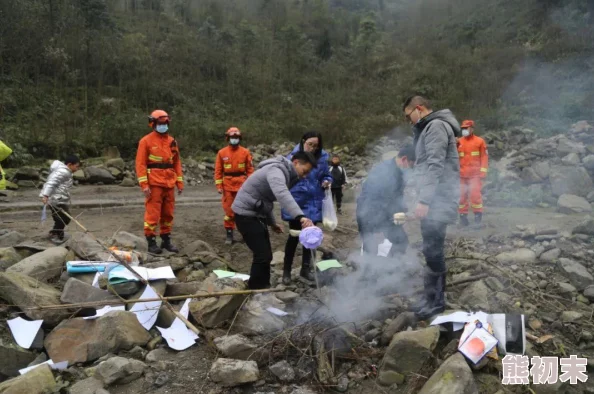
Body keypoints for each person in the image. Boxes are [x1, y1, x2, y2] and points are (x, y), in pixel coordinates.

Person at [402, 95, 461, 319]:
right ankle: (430, 298)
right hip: (434, 197)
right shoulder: (428, 128)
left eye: (409, 115)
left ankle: (436, 303)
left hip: (439, 199)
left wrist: (424, 201)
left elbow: (435, 165)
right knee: (429, 248)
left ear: (419, 108)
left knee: (433, 249)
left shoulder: (435, 126)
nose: (409, 121)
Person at [232, 152, 317, 290]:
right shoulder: (276, 171)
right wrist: (300, 216)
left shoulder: (284, 172)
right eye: (304, 171)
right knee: (262, 255)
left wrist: (272, 223)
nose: (304, 175)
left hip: (256, 214)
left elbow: (266, 199)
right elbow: (282, 194)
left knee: (266, 255)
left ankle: (264, 288)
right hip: (245, 214)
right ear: (295, 163)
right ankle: (254, 291)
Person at [281, 131, 333, 285]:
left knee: (310, 237)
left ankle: (306, 269)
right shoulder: (293, 157)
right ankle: (286, 271)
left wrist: (327, 180)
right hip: (297, 201)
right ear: (303, 141)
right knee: (294, 237)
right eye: (310, 144)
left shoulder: (322, 157)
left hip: (314, 201)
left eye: (316, 146)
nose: (313, 148)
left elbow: (326, 175)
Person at [135, 109, 183, 254]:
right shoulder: (146, 141)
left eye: (166, 123)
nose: (164, 125)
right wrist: (144, 185)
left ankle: (166, 240)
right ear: (154, 124)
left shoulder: (172, 141)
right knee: (153, 214)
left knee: (168, 213)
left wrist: (179, 182)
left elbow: (176, 163)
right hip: (154, 183)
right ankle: (151, 242)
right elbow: (140, 164)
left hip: (169, 182)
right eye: (161, 123)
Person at [356, 145, 414, 257]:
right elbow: (371, 200)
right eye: (411, 166)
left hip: (387, 214)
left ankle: (388, 269)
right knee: (371, 248)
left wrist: (403, 212)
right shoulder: (384, 172)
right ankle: (368, 273)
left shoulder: (399, 171)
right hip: (369, 215)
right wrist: (377, 227)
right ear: (404, 159)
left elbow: (396, 197)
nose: (411, 169)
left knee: (401, 241)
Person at [214, 127, 255, 245]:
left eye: (236, 137)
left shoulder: (245, 152)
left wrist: (251, 184)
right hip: (227, 186)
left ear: (239, 138)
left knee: (243, 211)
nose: (234, 139)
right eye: (232, 137)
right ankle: (229, 235)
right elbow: (218, 170)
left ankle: (245, 235)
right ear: (228, 138)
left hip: (242, 185)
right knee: (229, 212)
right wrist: (219, 186)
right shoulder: (222, 153)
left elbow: (250, 169)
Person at [39, 155, 81, 244]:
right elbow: (51, 183)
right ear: (70, 164)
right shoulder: (62, 172)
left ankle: (57, 233)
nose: (77, 169)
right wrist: (45, 195)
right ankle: (55, 234)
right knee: (62, 218)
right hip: (55, 199)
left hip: (60, 198)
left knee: (63, 218)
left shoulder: (66, 172)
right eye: (76, 166)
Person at [457, 120, 488, 228]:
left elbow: (484, 157)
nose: (464, 130)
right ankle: (463, 219)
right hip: (461, 175)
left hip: (475, 175)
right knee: (461, 197)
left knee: (475, 196)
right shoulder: (459, 142)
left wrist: (483, 172)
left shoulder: (480, 141)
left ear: (472, 129)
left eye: (466, 128)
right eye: (463, 128)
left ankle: (477, 219)